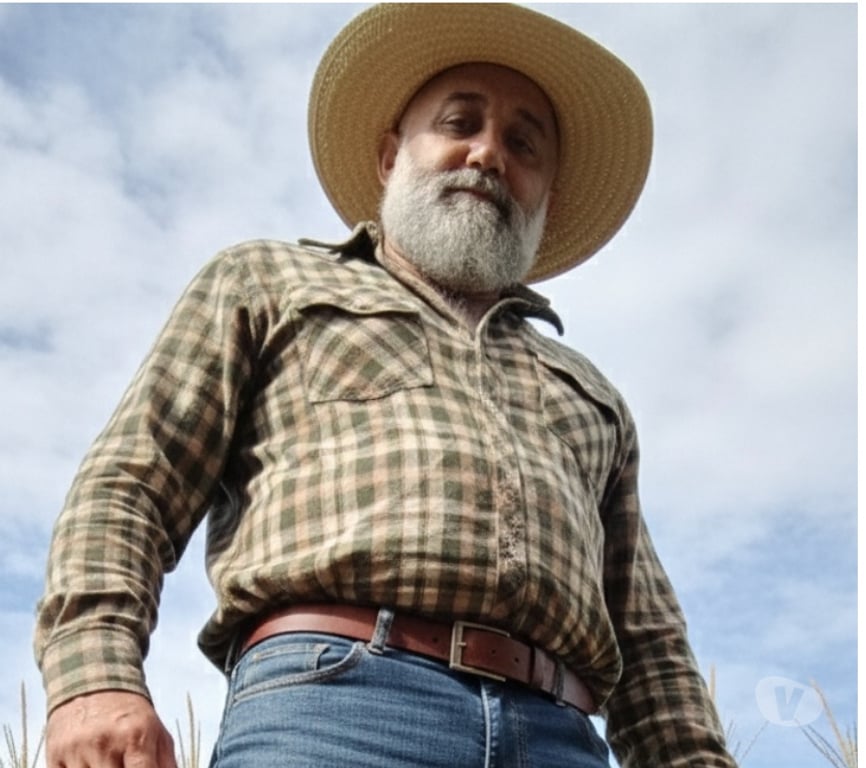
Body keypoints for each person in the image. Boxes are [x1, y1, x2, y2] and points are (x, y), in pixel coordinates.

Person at [34, 4, 738, 767]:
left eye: (523, 143)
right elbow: (133, 483)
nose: (488, 154)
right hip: (335, 710)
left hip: (560, 736)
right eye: (460, 123)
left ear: (547, 196)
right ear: (389, 155)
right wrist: (94, 680)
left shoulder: (592, 396)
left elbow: (649, 639)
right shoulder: (268, 284)